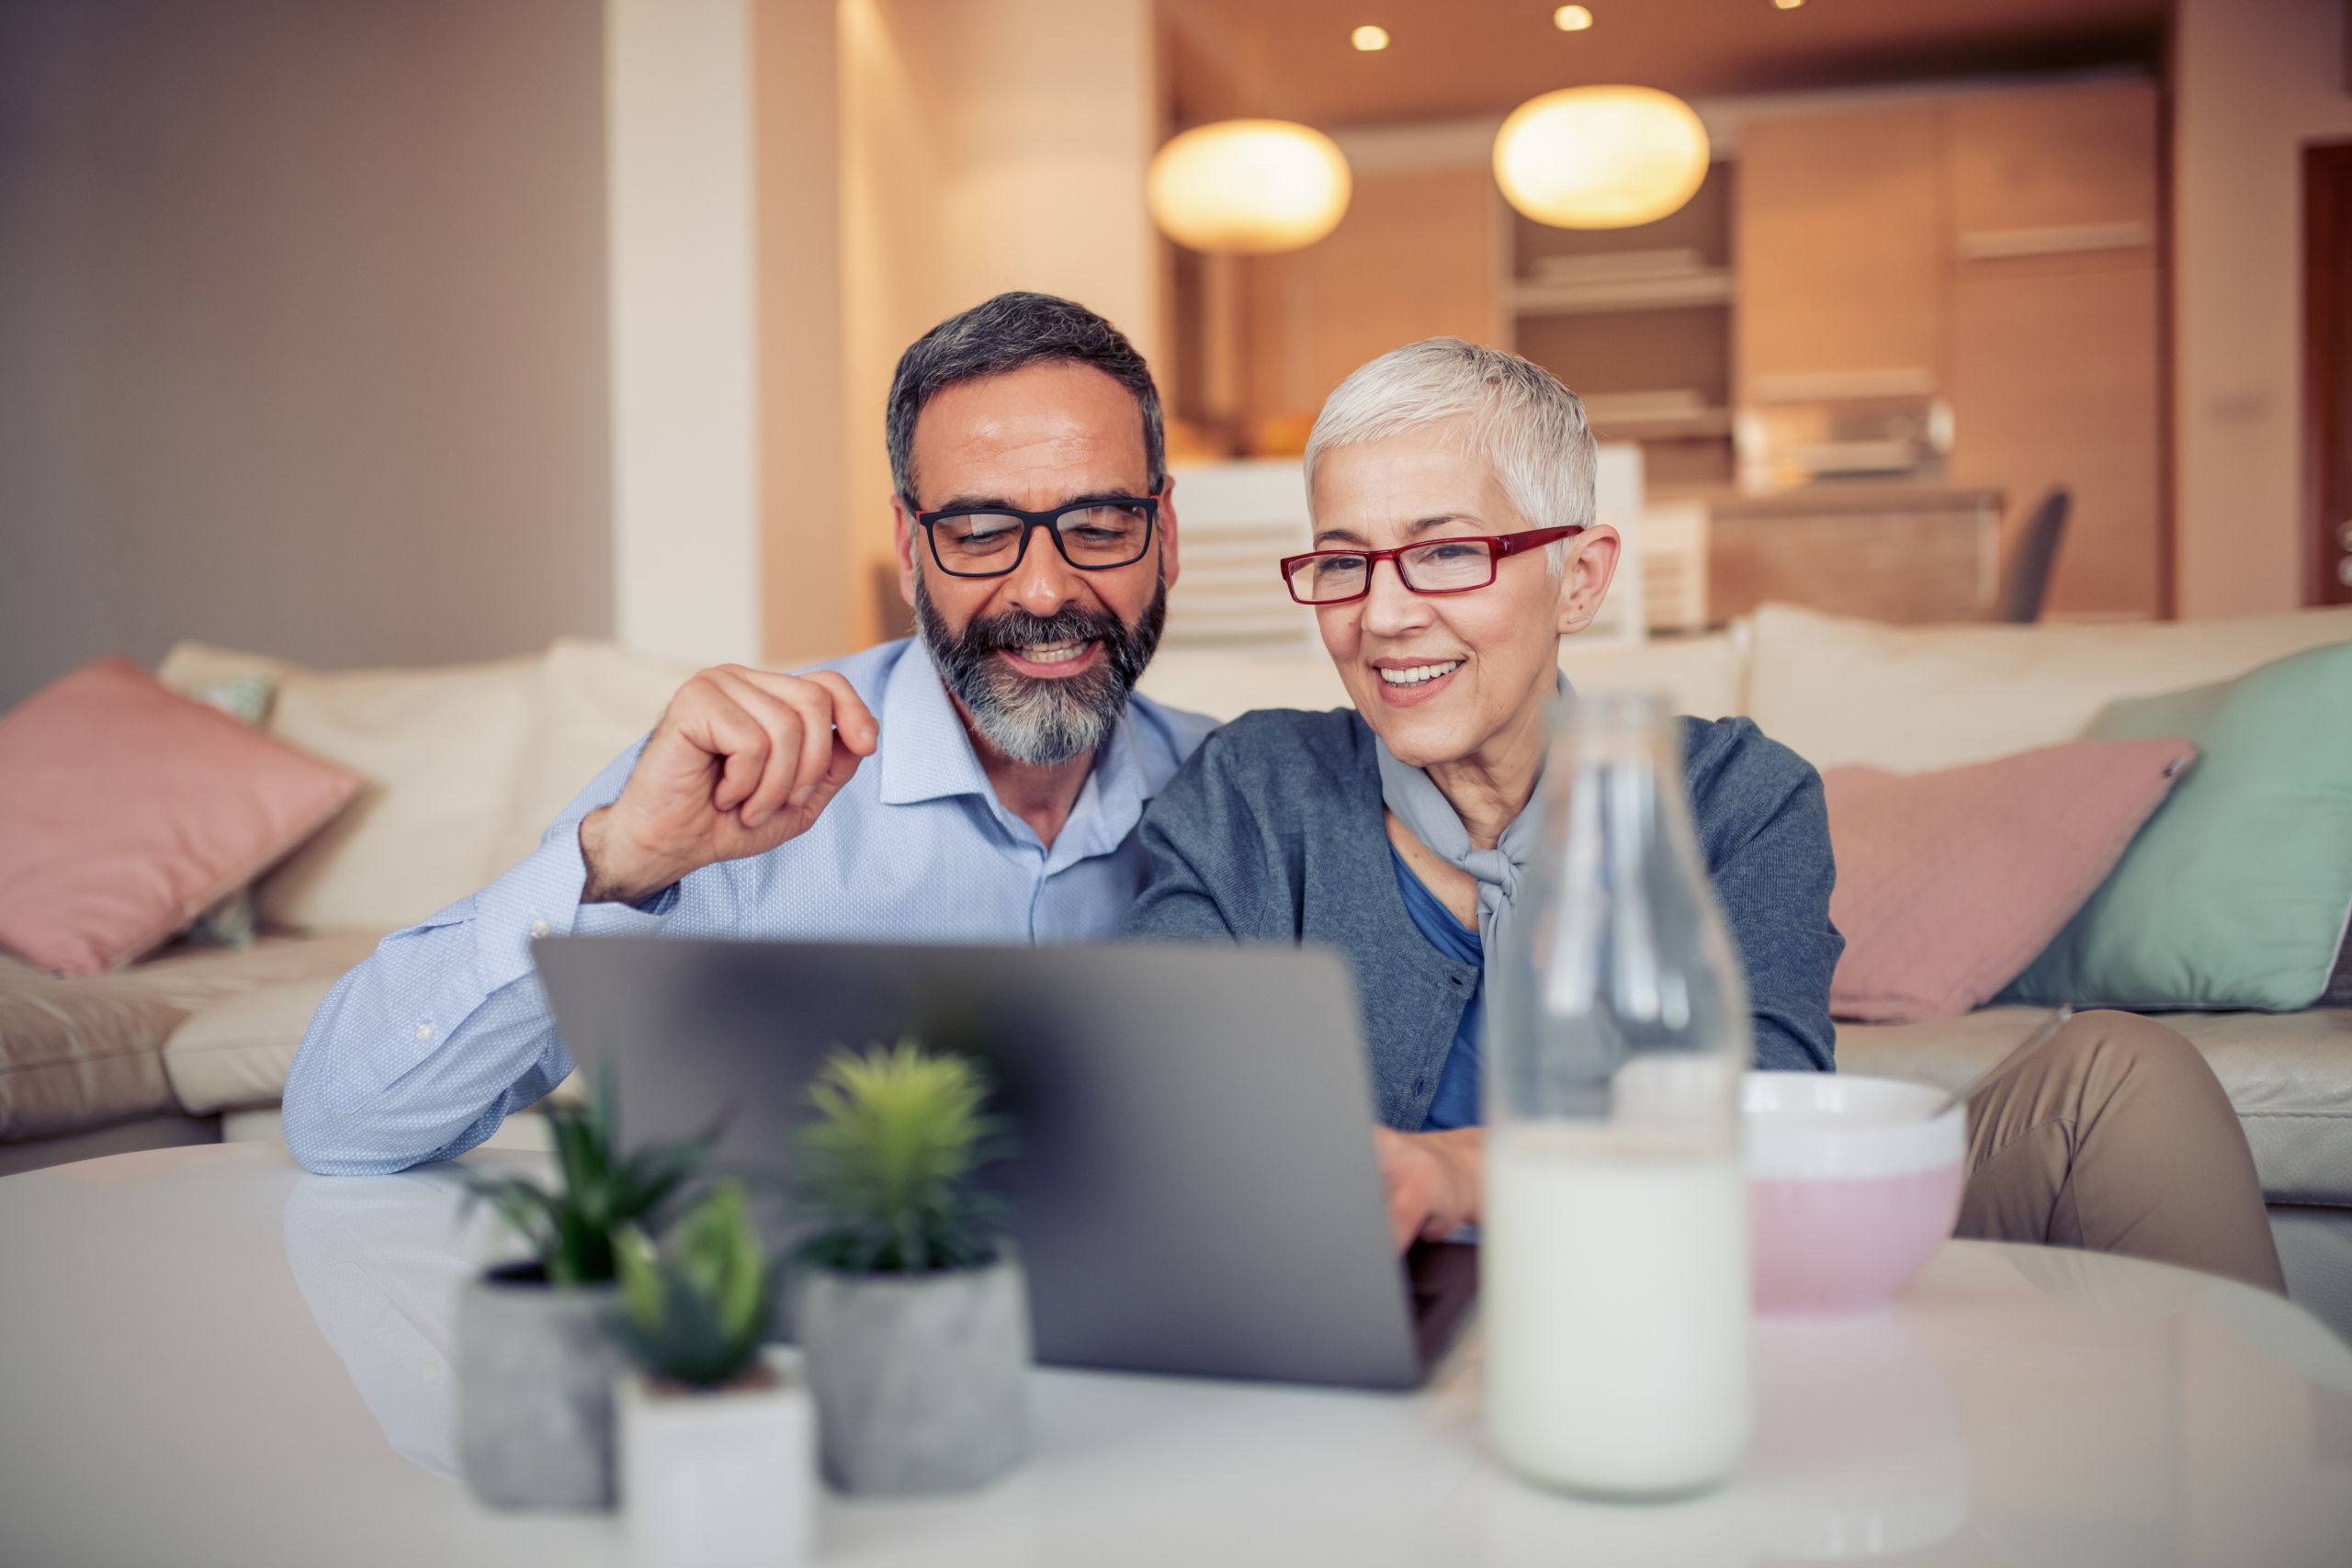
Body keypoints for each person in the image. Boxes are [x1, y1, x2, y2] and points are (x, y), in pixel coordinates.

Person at [1124, 337, 2288, 1294]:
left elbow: (1756, 1122)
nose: (1381, 617)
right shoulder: (1251, 789)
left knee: (2125, 1075)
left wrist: (1460, 1174)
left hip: (1702, 1293)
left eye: (1446, 554)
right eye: (1342, 565)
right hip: (1391, 1337)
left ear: (1579, 578)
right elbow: (1156, 1097)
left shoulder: (1735, 795)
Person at [283, 292, 1213, 1175]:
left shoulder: (1239, 794)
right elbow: (342, 1125)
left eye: (1098, 525)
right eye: (976, 533)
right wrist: (614, 862)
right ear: (909, 549)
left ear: (1165, 532)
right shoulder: (742, 781)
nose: (1043, 591)